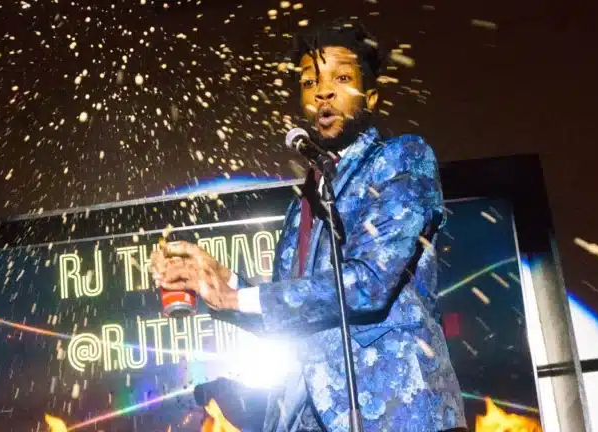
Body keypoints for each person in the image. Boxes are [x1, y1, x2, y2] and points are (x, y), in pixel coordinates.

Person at [151, 20, 467, 432]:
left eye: (341, 77)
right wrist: (218, 282)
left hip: (398, 416)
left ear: (369, 96)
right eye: (308, 82)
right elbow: (289, 312)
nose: (323, 91)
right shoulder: (301, 208)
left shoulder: (402, 159)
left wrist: (238, 298)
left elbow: (368, 284)